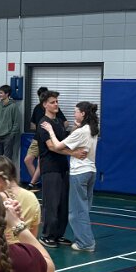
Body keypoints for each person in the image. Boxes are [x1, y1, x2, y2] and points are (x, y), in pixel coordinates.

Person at [43, 101, 98, 252]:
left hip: (79, 173)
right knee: (84, 209)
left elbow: (57, 145)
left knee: (76, 212)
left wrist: (50, 131)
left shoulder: (81, 132)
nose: (74, 114)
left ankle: (85, 243)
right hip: (91, 171)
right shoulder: (92, 129)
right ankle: (86, 240)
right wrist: (77, 127)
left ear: (83, 114)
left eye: (76, 112)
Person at [36, 90, 71, 246]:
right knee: (51, 202)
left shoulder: (58, 122)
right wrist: (73, 153)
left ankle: (58, 234)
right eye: (52, 102)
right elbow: (52, 146)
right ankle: (47, 234)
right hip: (50, 168)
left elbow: (63, 143)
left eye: (57, 101)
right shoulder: (43, 123)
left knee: (63, 203)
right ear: (45, 104)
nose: (56, 104)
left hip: (63, 167)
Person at [24, 87, 49, 189]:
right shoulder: (37, 108)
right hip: (37, 138)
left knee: (40, 162)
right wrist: (39, 128)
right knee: (27, 160)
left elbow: (64, 123)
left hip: (46, 139)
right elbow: (32, 124)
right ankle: (36, 182)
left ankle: (32, 183)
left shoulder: (53, 108)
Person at [0, 84, 21, 162]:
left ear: (7, 94)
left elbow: (16, 122)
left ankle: (7, 171)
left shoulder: (13, 106)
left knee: (7, 160)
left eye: (1, 93)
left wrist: (11, 136)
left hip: (7, 137)